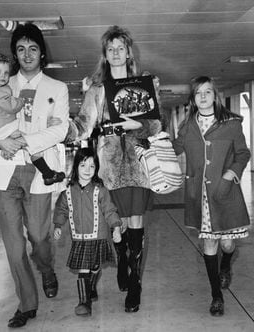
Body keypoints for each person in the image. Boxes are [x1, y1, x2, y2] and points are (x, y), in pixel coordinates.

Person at [0, 23, 69, 328]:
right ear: (14, 54)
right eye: (20, 49)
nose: (26, 54)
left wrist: (27, 140)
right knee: (13, 245)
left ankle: (47, 268)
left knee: (39, 237)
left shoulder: (57, 88)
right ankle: (27, 304)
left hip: (39, 167)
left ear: (42, 53)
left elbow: (61, 128)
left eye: (33, 48)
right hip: (5, 168)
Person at [65, 25, 162, 313]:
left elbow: (157, 124)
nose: (116, 53)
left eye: (121, 47)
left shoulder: (144, 84)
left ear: (129, 52)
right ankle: (122, 261)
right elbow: (83, 125)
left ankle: (135, 284)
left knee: (136, 226)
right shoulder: (97, 90)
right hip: (109, 168)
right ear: (105, 55)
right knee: (116, 224)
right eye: (111, 49)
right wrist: (59, 127)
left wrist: (139, 125)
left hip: (139, 165)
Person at [172, 76, 251, 317]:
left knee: (226, 244)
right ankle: (216, 295)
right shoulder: (187, 127)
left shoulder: (231, 123)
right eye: (198, 93)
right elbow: (173, 149)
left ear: (215, 96)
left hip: (224, 193)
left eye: (208, 92)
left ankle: (226, 263)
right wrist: (150, 139)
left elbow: (243, 154)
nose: (203, 96)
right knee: (209, 243)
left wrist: (230, 175)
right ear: (193, 99)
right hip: (200, 196)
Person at [0, 51, 65, 185]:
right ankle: (48, 174)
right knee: (32, 147)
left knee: (27, 144)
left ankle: (46, 173)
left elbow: (31, 121)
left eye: (6, 73)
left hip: (17, 153)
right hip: (3, 165)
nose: (3, 76)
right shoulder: (3, 90)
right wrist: (0, 142)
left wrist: (46, 123)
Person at [53, 147, 122, 316]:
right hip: (79, 239)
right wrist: (58, 225)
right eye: (83, 165)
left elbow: (110, 211)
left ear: (96, 169)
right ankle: (84, 302)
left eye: (92, 166)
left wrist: (116, 227)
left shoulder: (101, 191)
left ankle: (90, 288)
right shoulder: (67, 192)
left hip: (98, 237)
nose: (87, 170)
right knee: (84, 268)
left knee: (95, 266)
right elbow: (61, 210)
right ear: (75, 167)